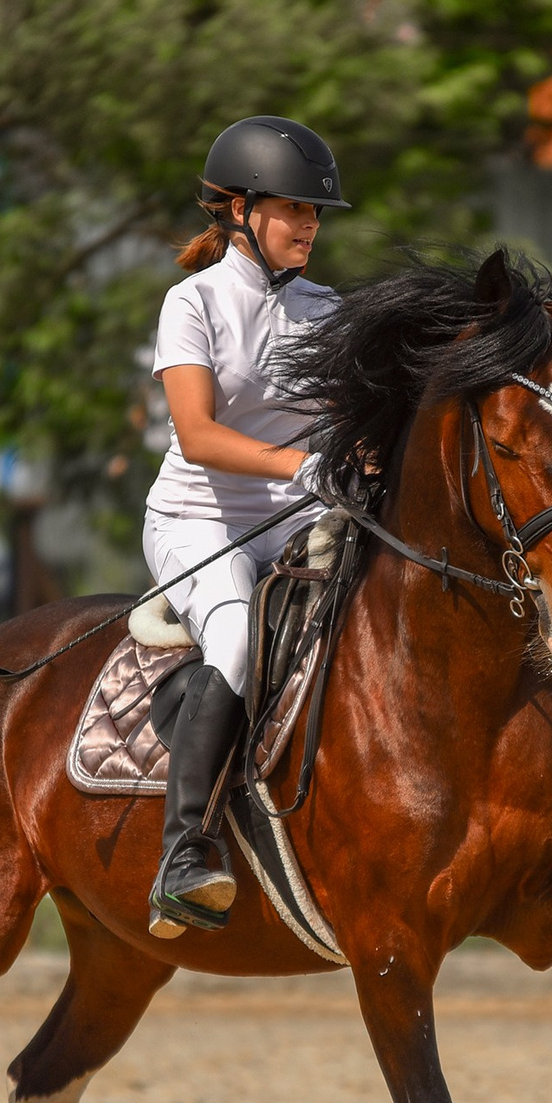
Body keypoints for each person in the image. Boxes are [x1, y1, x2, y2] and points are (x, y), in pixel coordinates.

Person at [140, 115, 346, 940]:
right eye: (292, 208)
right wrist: (301, 466)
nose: (308, 225)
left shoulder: (328, 309)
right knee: (235, 641)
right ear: (237, 210)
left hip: (299, 519)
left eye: (315, 213)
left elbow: (352, 421)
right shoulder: (192, 302)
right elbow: (197, 434)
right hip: (200, 520)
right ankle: (184, 850)